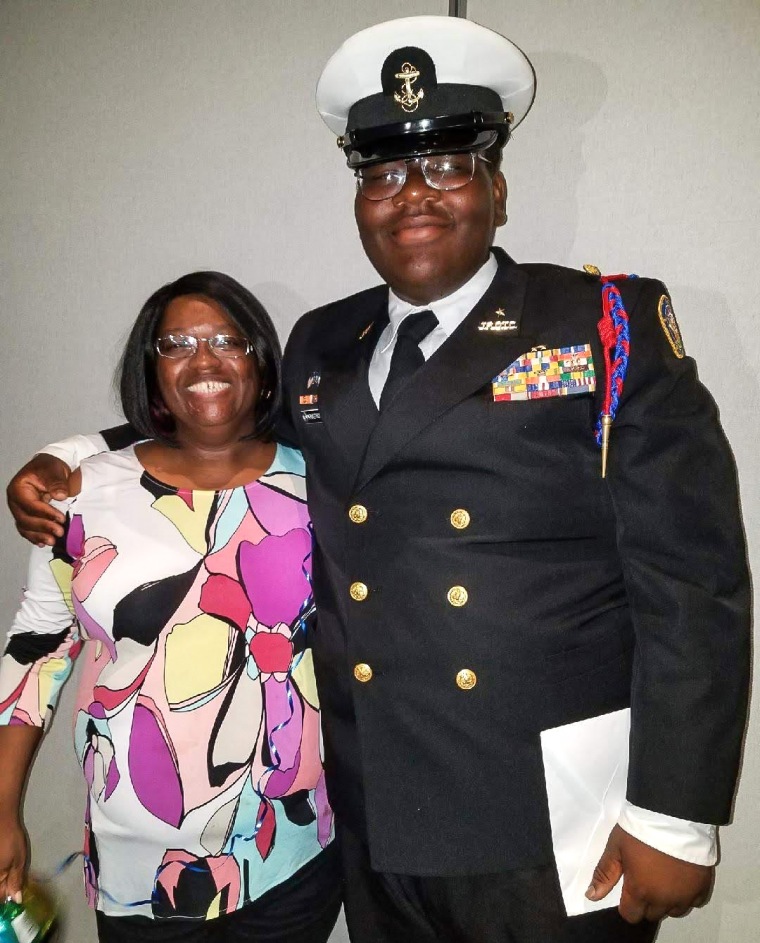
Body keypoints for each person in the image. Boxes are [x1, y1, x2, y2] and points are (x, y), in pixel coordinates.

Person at [6, 14, 752, 943]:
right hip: (374, 811)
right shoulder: (326, 338)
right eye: (384, 172)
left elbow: (694, 584)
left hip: (553, 820)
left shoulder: (601, 321)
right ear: (360, 198)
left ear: (496, 186)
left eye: (446, 164)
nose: (414, 196)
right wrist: (77, 454)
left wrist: (675, 813)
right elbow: (217, 425)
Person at [0, 272, 342, 943]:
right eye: (177, 343)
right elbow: (36, 651)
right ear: (151, 370)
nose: (204, 358)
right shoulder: (77, 493)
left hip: (296, 850)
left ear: (261, 362)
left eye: (226, 340)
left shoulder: (320, 483)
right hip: (137, 864)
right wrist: (2, 805)